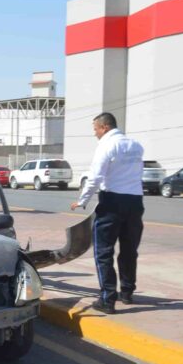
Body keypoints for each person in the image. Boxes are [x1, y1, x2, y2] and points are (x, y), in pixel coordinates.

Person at [70, 112, 144, 315]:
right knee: (129, 250)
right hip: (135, 203)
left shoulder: (106, 145)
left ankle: (107, 299)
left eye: (95, 129)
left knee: (103, 252)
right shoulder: (136, 145)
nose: (95, 134)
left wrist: (82, 201)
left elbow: (95, 177)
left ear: (104, 127)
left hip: (112, 202)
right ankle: (127, 293)